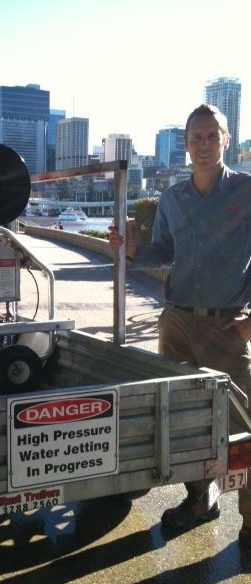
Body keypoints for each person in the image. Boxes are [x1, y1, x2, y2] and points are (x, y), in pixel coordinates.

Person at [109, 104, 251, 543]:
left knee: (241, 423)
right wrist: (133, 251)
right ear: (186, 146)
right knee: (182, 419)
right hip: (176, 323)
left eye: (212, 136)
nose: (203, 145)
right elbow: (163, 253)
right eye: (196, 139)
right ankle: (200, 499)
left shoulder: (246, 191)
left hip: (227, 327)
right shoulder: (172, 199)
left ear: (226, 140)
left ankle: (250, 522)